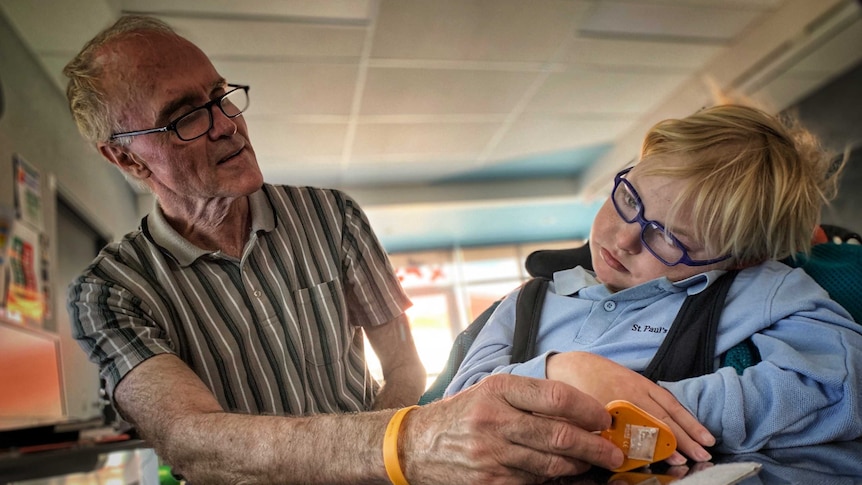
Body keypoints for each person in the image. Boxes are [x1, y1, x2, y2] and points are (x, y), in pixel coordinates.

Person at [63, 15, 627, 484]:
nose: (226, 125)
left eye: (221, 96)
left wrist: (384, 455)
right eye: (186, 115)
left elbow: (403, 361)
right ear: (128, 160)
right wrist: (413, 441)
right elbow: (189, 440)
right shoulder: (110, 292)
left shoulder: (331, 217)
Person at [445, 104, 862, 460]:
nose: (624, 239)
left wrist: (654, 413)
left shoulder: (753, 288)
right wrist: (563, 373)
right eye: (629, 199)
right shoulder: (523, 303)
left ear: (740, 260)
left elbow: (840, 383)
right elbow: (456, 410)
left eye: (670, 237)